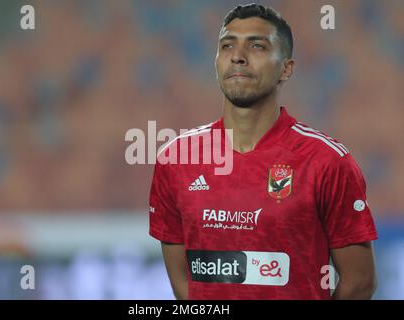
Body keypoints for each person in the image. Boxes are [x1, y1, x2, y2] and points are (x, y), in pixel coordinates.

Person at [149, 3, 378, 300]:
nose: (238, 57)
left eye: (257, 46)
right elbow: (185, 281)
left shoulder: (327, 161)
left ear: (286, 68)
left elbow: (359, 283)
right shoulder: (177, 159)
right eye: (227, 45)